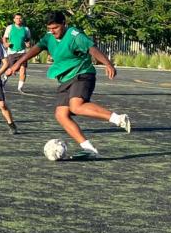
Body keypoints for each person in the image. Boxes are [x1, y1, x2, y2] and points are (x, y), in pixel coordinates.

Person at [8, 11, 131, 158]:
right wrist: (18, 63)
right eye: (49, 28)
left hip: (82, 73)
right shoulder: (49, 37)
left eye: (55, 28)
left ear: (64, 24)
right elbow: (36, 48)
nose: (52, 31)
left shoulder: (74, 34)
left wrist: (108, 64)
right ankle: (89, 149)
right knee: (61, 114)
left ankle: (119, 119)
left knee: (76, 106)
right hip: (65, 78)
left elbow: (92, 48)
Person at [2, 13, 31, 92]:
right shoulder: (10, 27)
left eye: (20, 18)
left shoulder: (26, 29)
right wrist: (5, 43)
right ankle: (2, 83)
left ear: (22, 19)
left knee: (23, 69)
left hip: (22, 52)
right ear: (14, 19)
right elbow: (4, 38)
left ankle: (20, 88)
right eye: (17, 18)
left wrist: (28, 43)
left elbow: (28, 39)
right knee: (10, 70)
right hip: (12, 52)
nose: (18, 20)